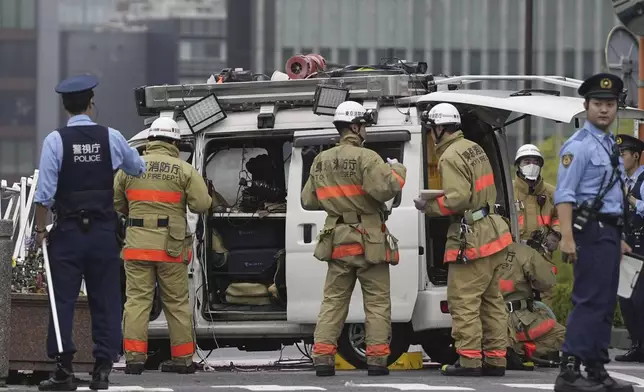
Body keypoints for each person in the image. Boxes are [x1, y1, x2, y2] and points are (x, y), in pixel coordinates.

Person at [33, 74, 146, 391]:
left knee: (62, 301)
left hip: (67, 234)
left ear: (65, 107)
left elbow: (44, 195)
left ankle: (63, 369)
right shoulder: (111, 137)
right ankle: (102, 370)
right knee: (106, 300)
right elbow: (138, 168)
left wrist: (41, 230)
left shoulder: (55, 141)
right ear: (91, 104)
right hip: (102, 233)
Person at [301, 100, 407, 377]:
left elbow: (308, 201)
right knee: (377, 302)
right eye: (364, 126)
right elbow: (386, 189)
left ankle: (323, 358)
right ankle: (376, 361)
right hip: (368, 240)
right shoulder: (367, 157)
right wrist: (398, 170)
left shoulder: (320, 160)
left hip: (337, 240)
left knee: (333, 301)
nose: (365, 131)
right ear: (355, 127)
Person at [413, 102, 513, 377]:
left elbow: (458, 199)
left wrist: (428, 207)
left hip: (473, 237)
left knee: (463, 300)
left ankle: (468, 360)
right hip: (493, 232)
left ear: (440, 128)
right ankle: (495, 359)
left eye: (432, 129)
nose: (432, 135)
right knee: (491, 300)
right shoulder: (474, 147)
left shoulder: (449, 156)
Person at [553, 73, 634, 392]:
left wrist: (619, 237)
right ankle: (569, 372)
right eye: (598, 104)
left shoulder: (609, 145)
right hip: (587, 231)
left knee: (603, 303)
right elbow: (565, 194)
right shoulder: (579, 147)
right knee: (588, 300)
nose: (604, 110)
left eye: (610, 104)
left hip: (608, 232)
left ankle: (597, 369)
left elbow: (611, 195)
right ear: (585, 106)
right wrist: (568, 237)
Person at [113, 117, 212, 375]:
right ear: (174, 143)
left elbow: (117, 205)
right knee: (177, 303)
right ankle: (183, 360)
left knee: (136, 302)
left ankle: (134, 359)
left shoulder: (129, 168)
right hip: (171, 246)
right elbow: (201, 204)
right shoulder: (184, 170)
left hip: (136, 246)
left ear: (150, 140)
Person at [499, 241, 565, 369]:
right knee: (561, 335)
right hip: (516, 318)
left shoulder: (475, 250)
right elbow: (547, 283)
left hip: (484, 316)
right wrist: (540, 258)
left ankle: (506, 349)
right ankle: (520, 350)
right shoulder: (523, 251)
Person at [513, 144, 561, 307]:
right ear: (518, 165)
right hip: (515, 255)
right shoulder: (508, 190)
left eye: (535, 161)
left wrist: (556, 233)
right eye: (526, 161)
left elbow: (561, 216)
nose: (531, 165)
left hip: (543, 254)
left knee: (546, 300)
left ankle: (547, 331)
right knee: (515, 298)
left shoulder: (551, 192)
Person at [614, 133, 644, 363]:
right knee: (626, 298)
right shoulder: (622, 181)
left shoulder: (642, 181)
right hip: (627, 247)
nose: (620, 158)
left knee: (640, 298)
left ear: (635, 155)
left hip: (642, 247)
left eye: (622, 154)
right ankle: (637, 344)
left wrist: (631, 200)